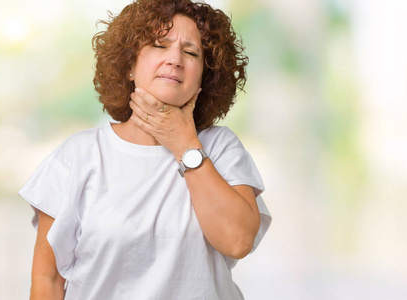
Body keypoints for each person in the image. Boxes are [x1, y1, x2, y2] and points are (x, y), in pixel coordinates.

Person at [19, 0, 271, 299]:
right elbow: (48, 281)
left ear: (205, 77)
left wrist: (183, 142)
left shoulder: (221, 147)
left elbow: (238, 241)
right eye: (159, 45)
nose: (175, 59)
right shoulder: (79, 155)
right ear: (129, 66)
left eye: (191, 52)